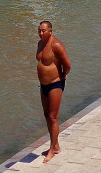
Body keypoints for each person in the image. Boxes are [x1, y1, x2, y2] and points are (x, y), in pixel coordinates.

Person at [36, 20, 71, 163]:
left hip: (55, 84)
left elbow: (67, 65)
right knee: (46, 115)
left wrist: (63, 75)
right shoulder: (40, 44)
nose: (41, 33)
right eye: (39, 30)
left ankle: (52, 149)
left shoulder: (56, 45)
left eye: (43, 31)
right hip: (43, 85)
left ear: (50, 31)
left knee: (53, 117)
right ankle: (55, 145)